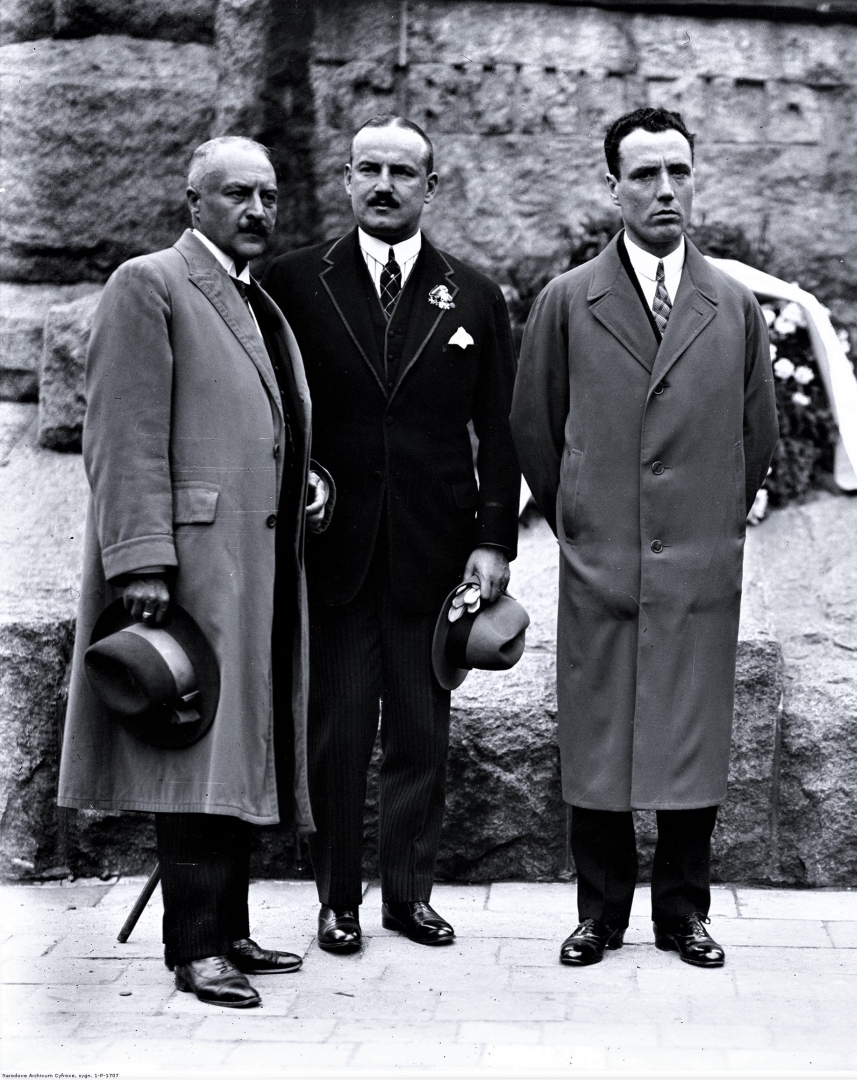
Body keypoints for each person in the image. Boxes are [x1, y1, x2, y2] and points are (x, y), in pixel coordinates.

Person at [57, 137, 328, 1008]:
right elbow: (122, 432)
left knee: (237, 747)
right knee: (195, 751)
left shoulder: (254, 298)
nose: (257, 210)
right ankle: (196, 949)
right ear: (194, 201)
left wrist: (303, 486)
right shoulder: (150, 283)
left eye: (269, 196)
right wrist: (140, 560)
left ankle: (230, 929)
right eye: (237, 193)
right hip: (188, 569)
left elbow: (266, 426)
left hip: (254, 563)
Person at [513, 107, 778, 969]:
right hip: (605, 557)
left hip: (699, 559)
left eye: (679, 172)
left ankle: (684, 914)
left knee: (692, 737)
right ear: (613, 188)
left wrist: (715, 520)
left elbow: (758, 435)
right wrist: (582, 518)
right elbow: (534, 426)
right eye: (645, 175)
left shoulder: (733, 305)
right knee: (599, 737)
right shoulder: (567, 301)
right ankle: (599, 913)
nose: (666, 190)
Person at [262, 117, 520, 954]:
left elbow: (500, 431)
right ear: (345, 178)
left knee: (419, 733)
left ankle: (409, 897)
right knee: (336, 734)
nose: (383, 184)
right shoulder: (293, 283)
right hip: (332, 548)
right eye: (368, 168)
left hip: (432, 556)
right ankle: (337, 900)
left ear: (430, 188)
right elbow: (269, 410)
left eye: (402, 172)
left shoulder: (474, 295)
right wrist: (294, 485)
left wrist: (494, 540)